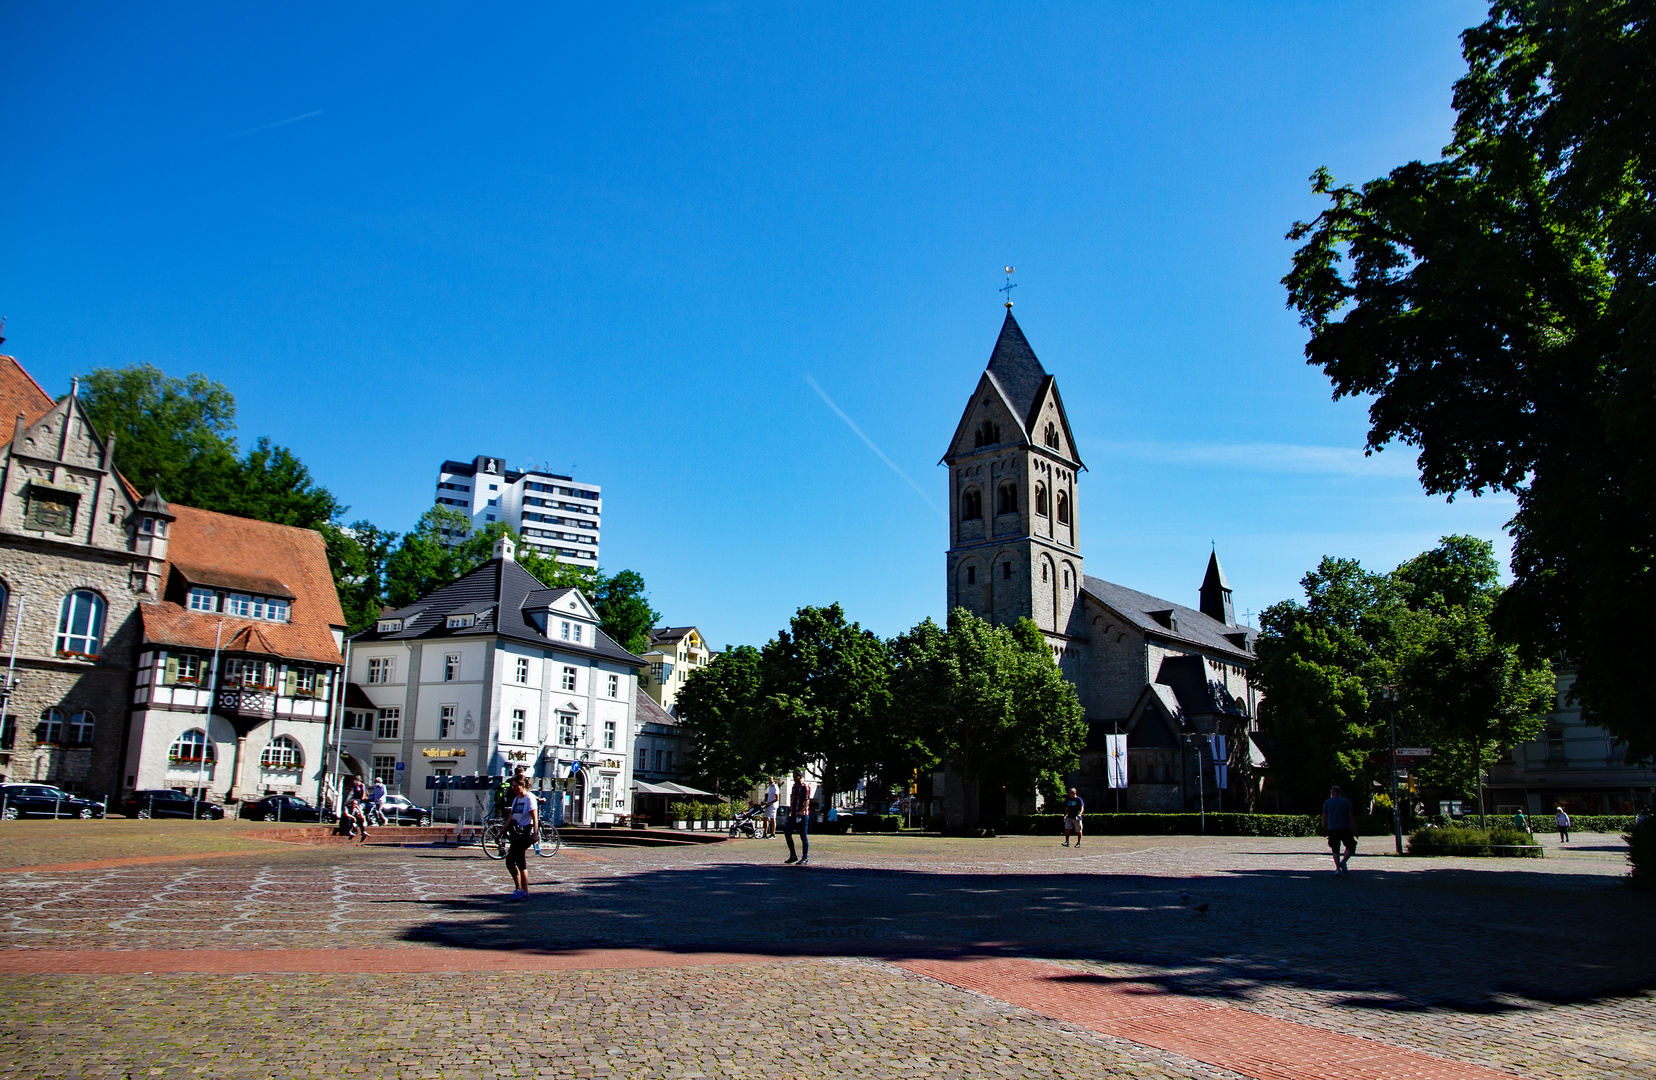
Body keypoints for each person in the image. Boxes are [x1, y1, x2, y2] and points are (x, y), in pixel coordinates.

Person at [503, 776, 539, 900]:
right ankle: (523, 891)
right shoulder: (516, 800)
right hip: (515, 834)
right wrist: (501, 832)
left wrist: (535, 833)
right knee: (520, 862)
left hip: (525, 834)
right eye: (512, 786)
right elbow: (511, 817)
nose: (513, 789)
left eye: (515, 786)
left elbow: (534, 817)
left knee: (510, 860)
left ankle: (519, 889)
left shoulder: (529, 798)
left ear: (522, 785)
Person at [1322, 784, 1356, 875]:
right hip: (1345, 828)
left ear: (1332, 793)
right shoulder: (1346, 802)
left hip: (1332, 828)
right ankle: (1344, 861)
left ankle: (1337, 868)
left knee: (1335, 849)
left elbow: (1324, 817)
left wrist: (1323, 828)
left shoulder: (1327, 802)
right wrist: (1354, 829)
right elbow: (1351, 816)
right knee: (1351, 845)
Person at [784, 770, 810, 866]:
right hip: (794, 814)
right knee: (787, 833)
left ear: (800, 776)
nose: (794, 779)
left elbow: (807, 801)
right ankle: (793, 855)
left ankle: (805, 857)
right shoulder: (794, 787)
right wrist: (790, 812)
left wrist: (802, 811)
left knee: (803, 836)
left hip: (802, 815)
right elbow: (793, 800)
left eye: (795, 777)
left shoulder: (805, 787)